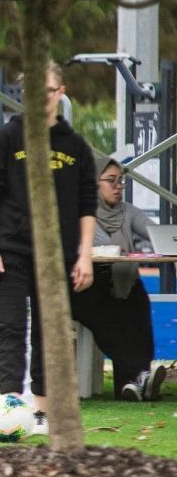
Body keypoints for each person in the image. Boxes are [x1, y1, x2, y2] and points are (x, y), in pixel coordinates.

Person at [0, 63, 97, 436]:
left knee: (50, 330)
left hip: (56, 254)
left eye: (47, 91)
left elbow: (86, 204)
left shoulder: (75, 146)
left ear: (60, 92)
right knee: (11, 327)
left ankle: (43, 411)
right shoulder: (7, 138)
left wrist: (85, 254)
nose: (40, 99)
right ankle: (10, 409)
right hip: (10, 251)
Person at [71, 157, 167, 401]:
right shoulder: (83, 213)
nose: (118, 186)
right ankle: (141, 375)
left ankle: (133, 385)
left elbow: (154, 233)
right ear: (94, 184)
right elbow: (102, 245)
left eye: (120, 181)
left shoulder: (128, 212)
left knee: (139, 303)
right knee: (110, 318)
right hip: (88, 285)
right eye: (111, 181)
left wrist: (167, 240)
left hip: (124, 283)